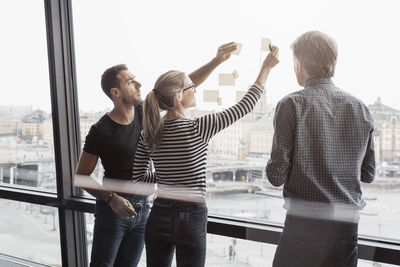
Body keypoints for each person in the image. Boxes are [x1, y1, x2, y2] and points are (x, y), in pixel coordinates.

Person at [76, 42, 240, 267]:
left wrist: (217, 60)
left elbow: (178, 89)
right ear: (115, 92)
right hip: (113, 212)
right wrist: (112, 199)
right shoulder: (100, 130)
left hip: (144, 210)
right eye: (130, 81)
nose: (139, 83)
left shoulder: (146, 113)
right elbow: (82, 175)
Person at [132, 45, 279, 267]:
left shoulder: (149, 132)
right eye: (192, 87)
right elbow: (246, 105)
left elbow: (139, 179)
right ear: (179, 96)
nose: (196, 89)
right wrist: (266, 68)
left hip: (159, 215)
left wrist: (165, 176)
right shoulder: (199, 127)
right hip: (189, 216)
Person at [266, 31, 375, 267]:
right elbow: (368, 174)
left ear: (300, 66)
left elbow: (275, 176)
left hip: (305, 224)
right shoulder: (361, 108)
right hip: (347, 228)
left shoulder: (291, 104)